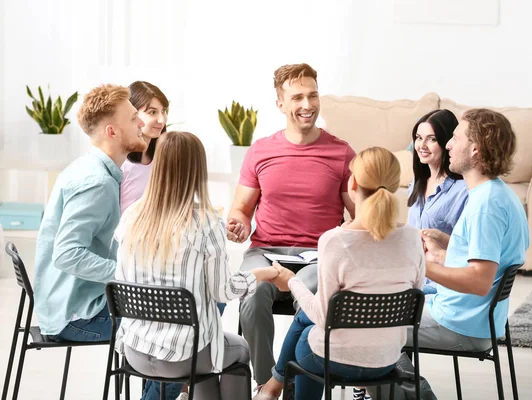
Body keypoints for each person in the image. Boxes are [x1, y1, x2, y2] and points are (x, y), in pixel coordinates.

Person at [368, 109, 530, 399]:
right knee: (379, 315)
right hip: (471, 316)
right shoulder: (498, 194)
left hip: (461, 322)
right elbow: (484, 256)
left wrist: (418, 262)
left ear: (476, 149)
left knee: (366, 332)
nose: (449, 145)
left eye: (455, 138)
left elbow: (479, 281)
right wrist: (445, 245)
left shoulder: (485, 206)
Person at [114, 131, 280, 400]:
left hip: (135, 350)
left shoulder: (132, 217)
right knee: (236, 350)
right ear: (196, 171)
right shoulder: (205, 223)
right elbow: (223, 292)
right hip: (183, 357)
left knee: (210, 350)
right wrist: (262, 274)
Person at [254, 147, 426, 400]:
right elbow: (415, 293)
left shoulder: (335, 240)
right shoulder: (412, 237)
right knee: (306, 323)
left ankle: (271, 388)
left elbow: (322, 315)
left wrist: (293, 282)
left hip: (331, 360)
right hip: (387, 359)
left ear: (353, 183)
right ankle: (271, 389)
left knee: (306, 332)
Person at [227, 63, 356, 390]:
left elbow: (359, 215)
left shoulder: (341, 153)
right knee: (251, 294)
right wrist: (239, 223)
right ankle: (265, 383)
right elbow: (242, 209)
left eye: (313, 95)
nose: (307, 105)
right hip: (265, 252)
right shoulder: (261, 150)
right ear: (280, 104)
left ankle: (297, 387)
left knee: (310, 299)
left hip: (317, 255)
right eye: (297, 97)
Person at [33, 84, 146, 341]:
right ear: (112, 132)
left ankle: (176, 381)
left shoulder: (92, 169)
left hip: (74, 304)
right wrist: (128, 273)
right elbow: (67, 254)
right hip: (76, 316)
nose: (141, 122)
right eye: (132, 118)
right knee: (187, 315)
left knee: (181, 310)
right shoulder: (97, 182)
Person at [407, 109, 468, 295]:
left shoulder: (462, 191)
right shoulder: (416, 184)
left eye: (431, 139)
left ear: (447, 142)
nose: (422, 145)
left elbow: (466, 247)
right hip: (412, 276)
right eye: (418, 138)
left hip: (438, 285)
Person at [120, 80, 169, 215]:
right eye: (152, 112)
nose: (162, 120)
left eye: (163, 111)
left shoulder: (163, 157)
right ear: (132, 114)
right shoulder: (120, 163)